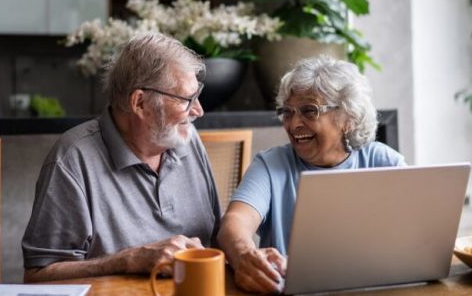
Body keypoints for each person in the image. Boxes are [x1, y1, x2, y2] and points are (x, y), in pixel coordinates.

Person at [22, 33, 221, 282]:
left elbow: (217, 237)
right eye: (186, 99)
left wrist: (246, 252)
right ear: (140, 103)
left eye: (197, 94)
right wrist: (128, 260)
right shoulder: (72, 159)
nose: (198, 111)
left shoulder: (189, 140)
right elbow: (37, 276)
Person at [217, 55, 406, 293]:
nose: (294, 124)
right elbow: (235, 222)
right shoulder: (271, 165)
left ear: (348, 118)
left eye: (309, 111)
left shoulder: (383, 161)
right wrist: (244, 254)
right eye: (287, 112)